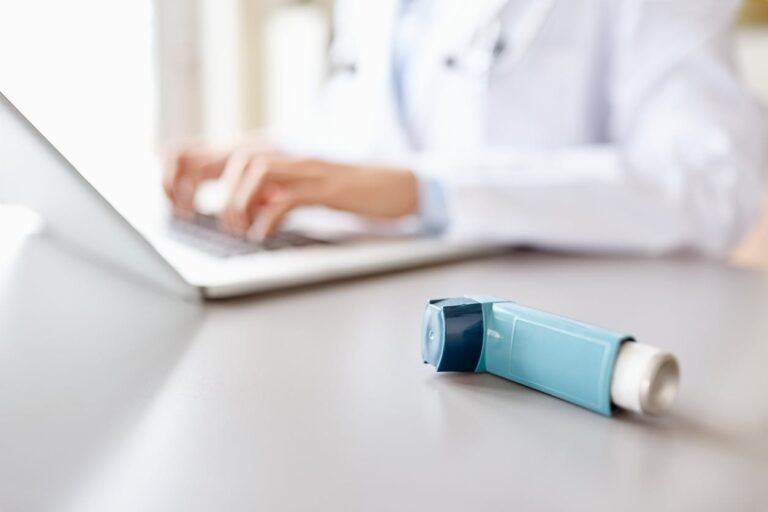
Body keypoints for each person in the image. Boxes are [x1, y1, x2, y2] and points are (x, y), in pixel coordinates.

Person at [163, 0, 768, 255]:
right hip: (389, 296)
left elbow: (712, 180)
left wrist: (426, 190)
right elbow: (373, 124)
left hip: (569, 331)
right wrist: (275, 153)